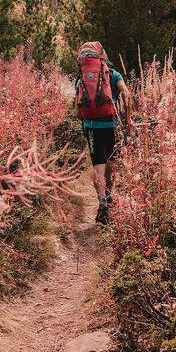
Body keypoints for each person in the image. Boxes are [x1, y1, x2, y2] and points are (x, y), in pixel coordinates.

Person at [73, 42, 130, 222]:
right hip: (111, 126)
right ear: (102, 56)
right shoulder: (113, 75)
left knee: (98, 166)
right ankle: (109, 195)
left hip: (92, 129)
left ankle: (102, 203)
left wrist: (87, 120)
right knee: (111, 164)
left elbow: (77, 110)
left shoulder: (80, 80)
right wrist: (127, 119)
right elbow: (127, 95)